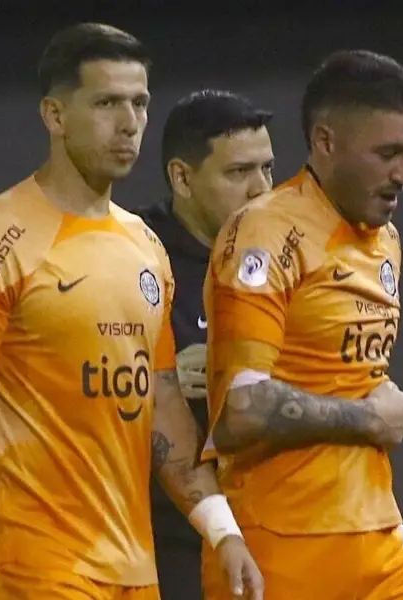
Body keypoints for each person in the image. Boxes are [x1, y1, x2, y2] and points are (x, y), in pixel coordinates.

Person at [0, 23, 264, 600]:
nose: (129, 122)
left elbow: (162, 402)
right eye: (107, 103)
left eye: (139, 102)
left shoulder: (145, 247)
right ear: (54, 115)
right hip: (28, 564)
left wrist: (223, 530)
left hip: (130, 570)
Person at [200, 49, 403, 600]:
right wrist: (369, 420)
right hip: (281, 550)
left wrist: (389, 520)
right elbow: (240, 409)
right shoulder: (266, 233)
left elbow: (345, 378)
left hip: (376, 547)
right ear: (326, 141)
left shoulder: (386, 241)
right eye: (388, 154)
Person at [133, 89, 275, 600]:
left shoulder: (286, 252)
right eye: (239, 172)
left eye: (267, 169)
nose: (261, 189)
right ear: (182, 178)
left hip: (275, 522)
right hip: (167, 535)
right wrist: (162, 375)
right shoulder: (133, 250)